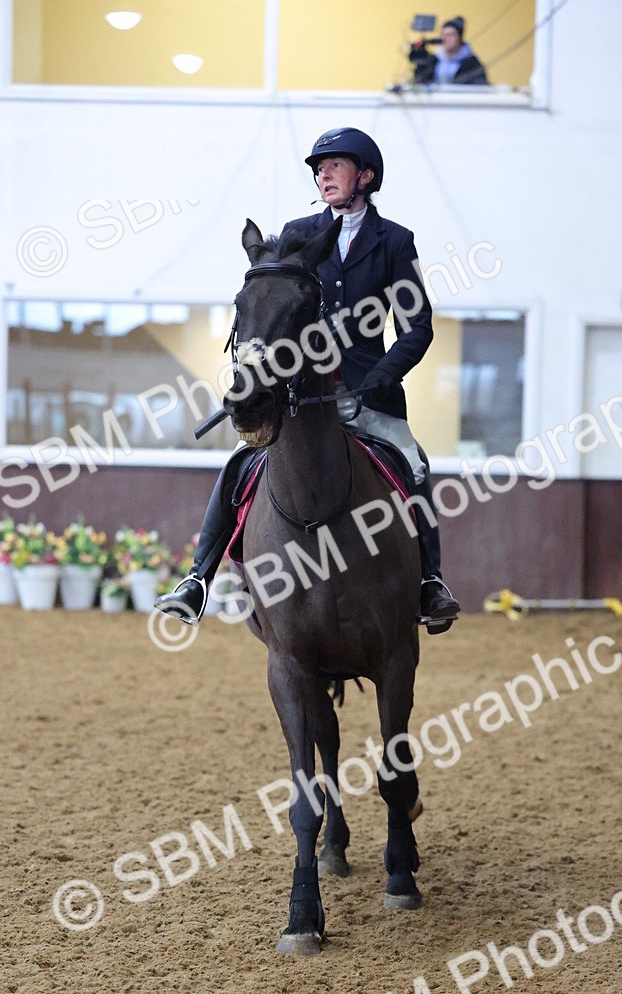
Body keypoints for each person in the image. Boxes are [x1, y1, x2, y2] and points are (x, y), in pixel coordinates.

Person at [157, 127, 460, 631]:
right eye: (318, 169)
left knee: (415, 465)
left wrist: (383, 377)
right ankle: (197, 581)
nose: (323, 175)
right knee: (239, 465)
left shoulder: (394, 242)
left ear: (365, 176)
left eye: (334, 166)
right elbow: (275, 308)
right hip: (296, 392)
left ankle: (430, 582)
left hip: (368, 391)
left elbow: (417, 326)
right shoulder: (297, 234)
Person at [410, 17, 488, 86]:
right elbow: (420, 82)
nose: (446, 38)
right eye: (443, 35)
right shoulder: (433, 61)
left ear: (460, 38)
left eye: (450, 35)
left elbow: (480, 86)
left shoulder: (471, 64)